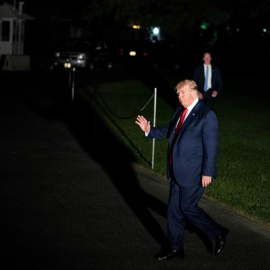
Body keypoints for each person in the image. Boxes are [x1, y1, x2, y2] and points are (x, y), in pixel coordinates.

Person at [135, 79, 228, 260]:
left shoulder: (206, 115)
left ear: (193, 93)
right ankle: (175, 247)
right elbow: (170, 130)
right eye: (178, 93)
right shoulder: (180, 112)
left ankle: (217, 232)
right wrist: (149, 130)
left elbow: (211, 146)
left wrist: (207, 172)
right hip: (176, 171)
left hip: (195, 172)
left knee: (187, 208)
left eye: (182, 93)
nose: (179, 97)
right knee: (173, 211)